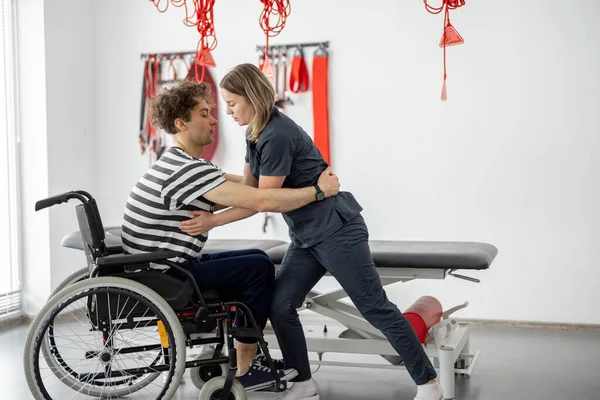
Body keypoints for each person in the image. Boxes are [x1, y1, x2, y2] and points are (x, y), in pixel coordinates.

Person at [179, 63, 444, 400]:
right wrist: (206, 177)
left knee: (375, 308)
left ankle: (429, 383)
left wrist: (213, 220)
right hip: (305, 236)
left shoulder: (277, 134)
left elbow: (264, 200)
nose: (226, 111)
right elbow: (249, 185)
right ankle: (303, 382)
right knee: (281, 305)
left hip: (336, 230)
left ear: (252, 97)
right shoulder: (254, 133)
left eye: (231, 102)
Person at [121, 79, 340, 391]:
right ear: (181, 123)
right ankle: (248, 367)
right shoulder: (187, 171)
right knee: (259, 269)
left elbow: (253, 187)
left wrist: (284, 178)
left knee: (255, 258)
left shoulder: (181, 163)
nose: (214, 120)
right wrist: (319, 190)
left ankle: (244, 357)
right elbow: (261, 201)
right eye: (204, 113)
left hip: (163, 267)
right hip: (168, 275)